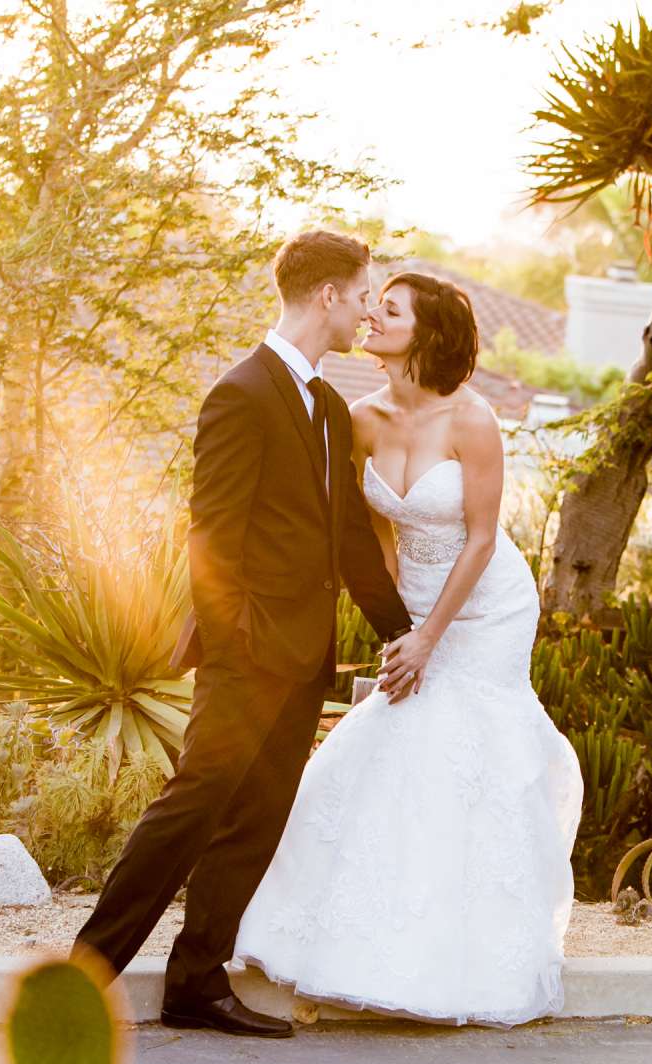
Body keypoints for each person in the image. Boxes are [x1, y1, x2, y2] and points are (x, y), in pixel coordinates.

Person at [71, 229, 425, 1037]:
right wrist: (235, 646)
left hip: (305, 660)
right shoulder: (241, 392)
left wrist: (404, 634)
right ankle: (80, 979)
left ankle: (198, 981)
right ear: (327, 297)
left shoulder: (331, 408)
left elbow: (346, 542)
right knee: (189, 810)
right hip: (245, 653)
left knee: (256, 821)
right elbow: (214, 538)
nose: (369, 309)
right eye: (364, 293)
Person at [234, 270, 583, 1025]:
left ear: (425, 334)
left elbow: (484, 538)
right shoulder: (359, 417)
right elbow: (376, 531)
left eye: (387, 311)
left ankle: (467, 938)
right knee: (396, 735)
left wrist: (432, 635)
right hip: (415, 601)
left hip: (483, 604)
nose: (370, 318)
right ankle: (350, 924)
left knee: (465, 746)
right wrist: (397, 621)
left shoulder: (473, 421)